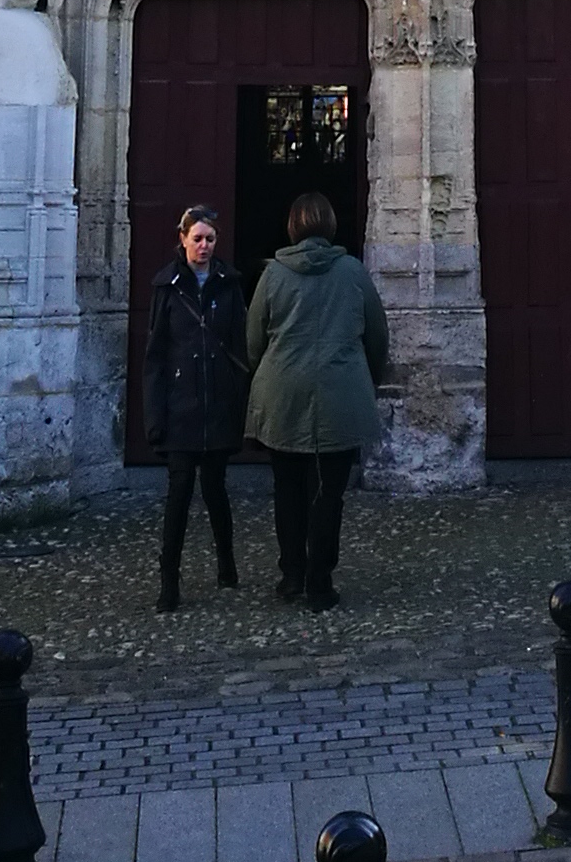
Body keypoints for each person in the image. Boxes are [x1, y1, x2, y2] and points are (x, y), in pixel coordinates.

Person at [241, 187, 389, 611]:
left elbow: (253, 339)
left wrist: (266, 375)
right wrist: (364, 379)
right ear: (330, 225)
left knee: (287, 490)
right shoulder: (353, 273)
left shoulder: (273, 274)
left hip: (282, 394)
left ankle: (292, 575)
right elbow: (377, 336)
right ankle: (320, 583)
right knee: (327, 493)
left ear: (292, 227)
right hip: (339, 394)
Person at [142, 199, 250, 610]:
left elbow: (240, 343)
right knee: (179, 494)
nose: (204, 246)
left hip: (217, 402)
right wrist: (155, 416)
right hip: (181, 405)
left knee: (216, 489)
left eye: (211, 239)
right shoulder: (167, 287)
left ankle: (226, 562)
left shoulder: (228, 284)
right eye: (198, 238)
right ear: (183, 239)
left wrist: (239, 399)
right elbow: (155, 354)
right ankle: (169, 580)